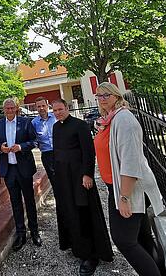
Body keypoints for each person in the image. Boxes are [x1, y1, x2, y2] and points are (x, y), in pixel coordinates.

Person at [94, 82, 165, 276]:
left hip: (129, 188)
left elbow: (130, 163)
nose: (101, 99)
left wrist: (124, 198)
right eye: (98, 96)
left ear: (116, 96)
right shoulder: (111, 119)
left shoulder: (124, 120)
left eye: (106, 95)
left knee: (124, 240)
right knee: (142, 238)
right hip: (116, 186)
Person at [52, 98, 113, 276]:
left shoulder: (80, 125)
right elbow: (57, 151)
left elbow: (88, 152)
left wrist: (87, 174)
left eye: (60, 109)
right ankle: (76, 246)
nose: (57, 113)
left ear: (67, 108)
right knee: (69, 211)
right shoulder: (56, 127)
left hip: (79, 177)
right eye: (54, 110)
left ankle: (91, 255)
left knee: (83, 212)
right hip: (63, 178)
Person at [0, 98, 42, 252]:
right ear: (3, 110)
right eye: (7, 109)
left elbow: (35, 141)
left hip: (24, 168)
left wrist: (21, 146)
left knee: (29, 200)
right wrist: (1, 147)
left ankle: (34, 231)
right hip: (9, 170)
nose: (10, 111)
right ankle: (21, 234)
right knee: (15, 202)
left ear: (17, 109)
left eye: (12, 108)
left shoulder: (26, 122)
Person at [31, 97, 56, 190]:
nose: (41, 108)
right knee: (54, 181)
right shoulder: (34, 123)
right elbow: (33, 139)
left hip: (60, 152)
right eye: (39, 106)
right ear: (36, 108)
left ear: (47, 105)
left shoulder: (55, 117)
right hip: (47, 155)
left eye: (43, 105)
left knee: (65, 178)